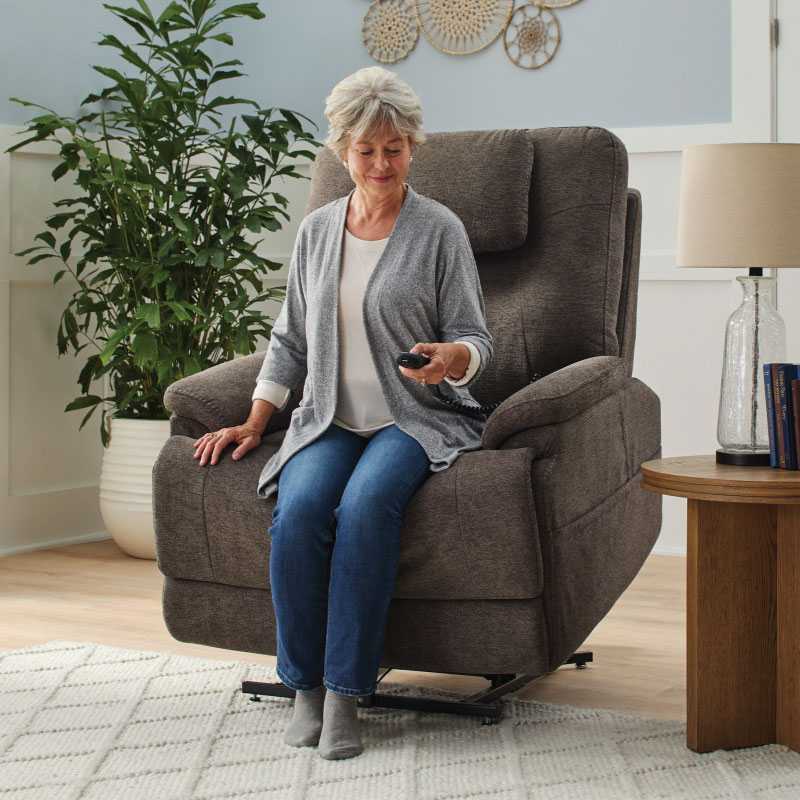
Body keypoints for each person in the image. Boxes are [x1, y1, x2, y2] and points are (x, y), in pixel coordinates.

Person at [192, 66, 493, 760]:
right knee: (298, 513)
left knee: (363, 511)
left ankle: (346, 694)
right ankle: (303, 685)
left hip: (412, 419)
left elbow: (476, 338)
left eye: (395, 148)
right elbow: (290, 340)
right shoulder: (317, 232)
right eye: (366, 150)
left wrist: (452, 358)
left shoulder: (440, 230)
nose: (381, 163)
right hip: (328, 418)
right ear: (341, 151)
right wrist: (256, 420)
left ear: (412, 147)